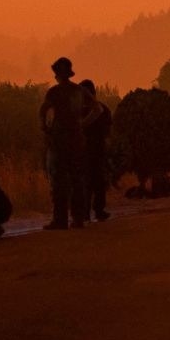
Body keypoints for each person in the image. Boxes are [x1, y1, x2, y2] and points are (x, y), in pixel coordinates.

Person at [38, 57, 100, 229]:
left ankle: (60, 219)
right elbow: (98, 109)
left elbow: (43, 112)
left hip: (59, 141)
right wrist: (83, 123)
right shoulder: (80, 91)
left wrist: (45, 128)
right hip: (77, 140)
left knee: (58, 181)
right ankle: (78, 218)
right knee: (77, 180)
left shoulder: (54, 93)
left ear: (56, 74)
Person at [80, 79, 113, 222]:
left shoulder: (80, 111)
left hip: (87, 150)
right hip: (96, 149)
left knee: (88, 182)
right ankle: (97, 211)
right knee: (97, 182)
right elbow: (108, 131)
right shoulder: (103, 109)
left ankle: (88, 212)